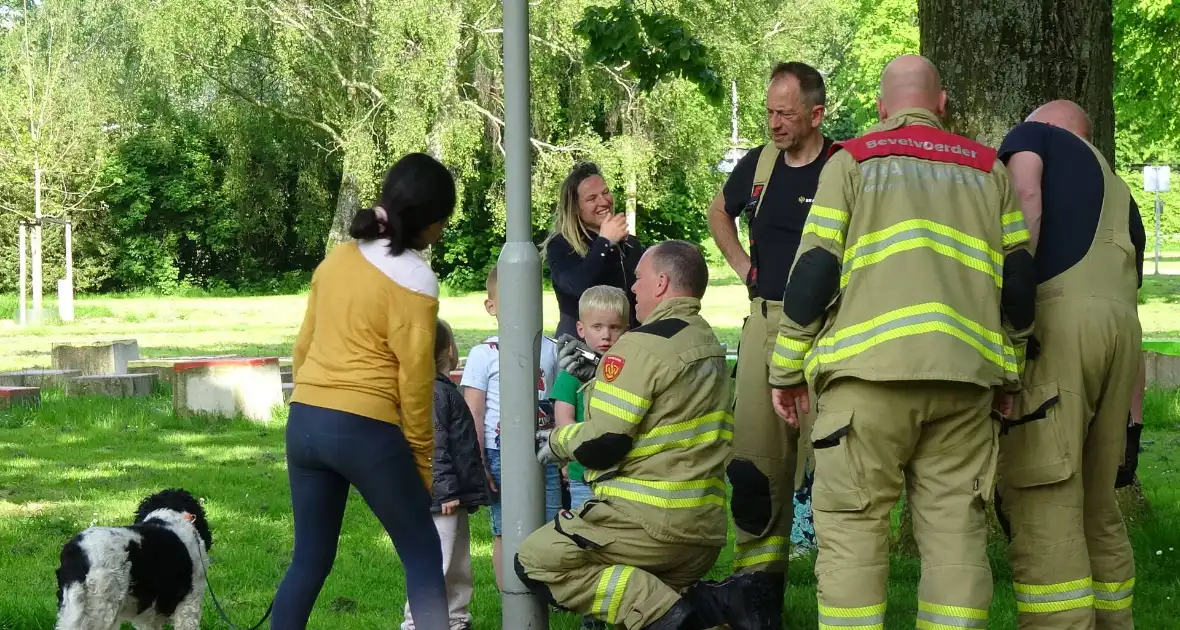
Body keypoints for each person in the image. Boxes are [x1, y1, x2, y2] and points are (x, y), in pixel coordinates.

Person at [768, 55, 1035, 629]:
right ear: (941, 105)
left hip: (867, 386)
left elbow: (813, 272)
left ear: (883, 109)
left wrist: (785, 370)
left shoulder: (852, 161)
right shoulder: (990, 170)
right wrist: (1010, 372)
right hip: (964, 384)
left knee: (853, 537)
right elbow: (1018, 286)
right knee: (956, 539)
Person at [518, 241, 771, 630]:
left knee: (536, 560)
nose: (632, 289)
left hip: (649, 525)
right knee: (631, 609)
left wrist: (553, 442)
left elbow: (604, 444)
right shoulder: (707, 342)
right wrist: (599, 377)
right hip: (702, 531)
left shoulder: (640, 345)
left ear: (661, 282)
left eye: (638, 279)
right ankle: (706, 604)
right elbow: (663, 409)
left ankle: (700, 609)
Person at [277, 153, 456, 630]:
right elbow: (415, 382)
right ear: (431, 221)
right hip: (365, 428)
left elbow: (303, 346)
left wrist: (307, 401)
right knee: (421, 551)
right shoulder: (417, 278)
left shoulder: (336, 258)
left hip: (306, 420)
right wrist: (421, 460)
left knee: (309, 560)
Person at [996, 100, 1144, 628]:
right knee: (1098, 504)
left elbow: (1025, 201)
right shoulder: (1121, 195)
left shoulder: (1033, 137)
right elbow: (1130, 304)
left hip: (1058, 329)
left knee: (1044, 499)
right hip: (1120, 338)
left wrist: (1009, 311)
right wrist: (1134, 422)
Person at [706, 61, 832, 596]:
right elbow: (719, 213)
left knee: (832, 458)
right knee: (756, 465)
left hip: (830, 328)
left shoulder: (844, 167)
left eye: (786, 112)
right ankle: (757, 586)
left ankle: (840, 581)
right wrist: (741, 266)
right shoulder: (759, 165)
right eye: (769, 112)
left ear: (816, 113)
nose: (775, 123)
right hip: (764, 321)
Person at [460, 265, 562, 590]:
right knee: (506, 526)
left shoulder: (551, 349)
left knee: (549, 522)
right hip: (498, 454)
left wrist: (563, 452)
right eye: (509, 299)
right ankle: (510, 593)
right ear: (491, 306)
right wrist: (479, 461)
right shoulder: (483, 354)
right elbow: (473, 413)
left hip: (544, 450)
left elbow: (559, 405)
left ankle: (545, 591)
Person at [401, 320, 491, 630]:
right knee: (437, 564)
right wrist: (445, 492)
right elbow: (432, 444)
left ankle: (455, 619)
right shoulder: (433, 393)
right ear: (449, 351)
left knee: (457, 564)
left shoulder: (438, 390)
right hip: (441, 499)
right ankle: (416, 623)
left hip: (450, 496)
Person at [550, 285, 631, 513]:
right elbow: (563, 422)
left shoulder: (632, 373)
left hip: (623, 476)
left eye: (615, 327)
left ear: (627, 330)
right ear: (581, 329)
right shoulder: (572, 374)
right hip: (584, 476)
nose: (606, 335)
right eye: (597, 327)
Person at [544, 162, 645, 338]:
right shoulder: (561, 245)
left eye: (605, 192)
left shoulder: (631, 244)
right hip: (581, 350)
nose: (604, 201)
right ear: (574, 207)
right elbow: (577, 286)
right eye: (592, 198)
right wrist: (604, 242)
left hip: (627, 345)